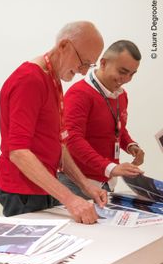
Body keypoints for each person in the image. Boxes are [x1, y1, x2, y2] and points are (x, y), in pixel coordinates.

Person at [0, 21, 108, 224]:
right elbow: (18, 153)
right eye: (83, 62)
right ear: (64, 46)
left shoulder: (53, 79)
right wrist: (71, 199)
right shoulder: (30, 80)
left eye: (89, 66)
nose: (82, 72)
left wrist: (85, 185)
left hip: (42, 186)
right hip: (23, 191)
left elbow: (58, 144)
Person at [59, 40, 144, 197]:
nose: (127, 79)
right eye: (122, 71)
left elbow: (118, 128)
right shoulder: (79, 94)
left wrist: (131, 145)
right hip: (76, 184)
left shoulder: (121, 94)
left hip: (105, 183)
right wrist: (110, 167)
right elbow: (72, 140)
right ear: (103, 63)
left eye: (132, 74)